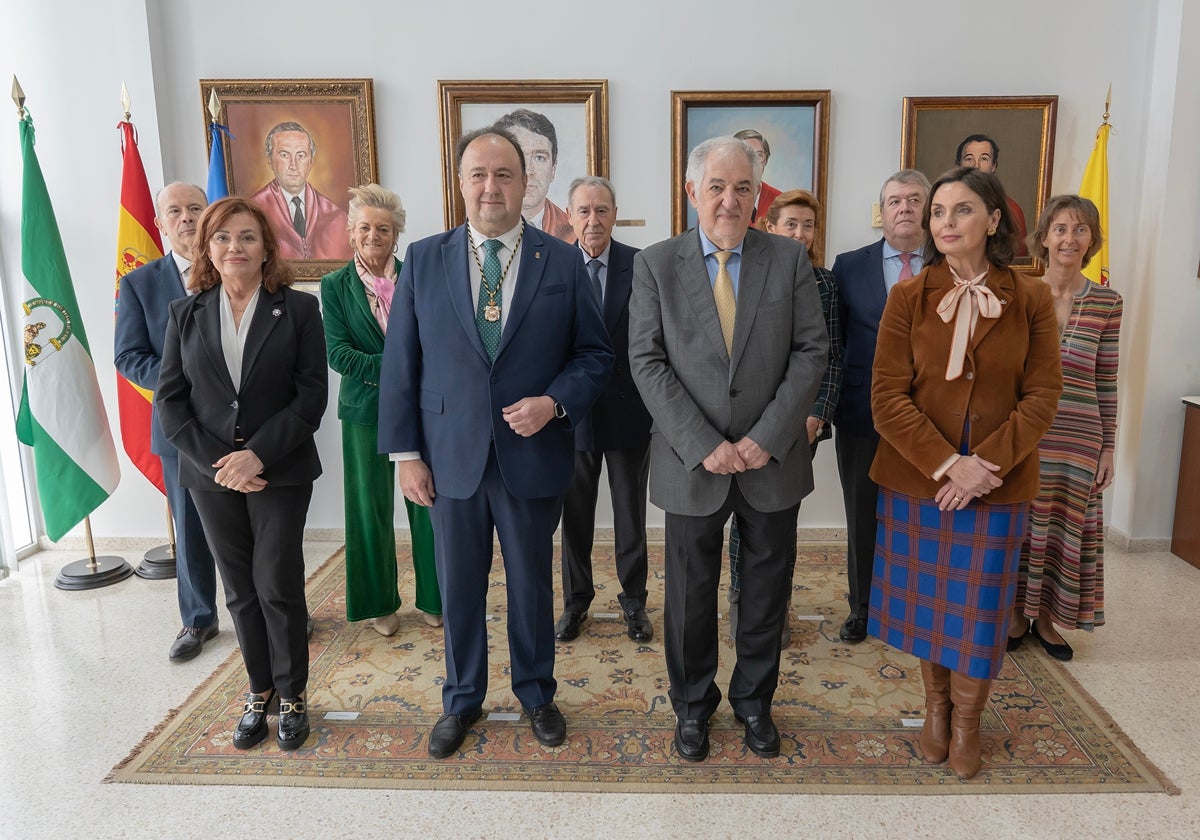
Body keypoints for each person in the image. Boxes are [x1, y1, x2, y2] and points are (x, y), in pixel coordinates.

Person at [377, 127, 612, 759]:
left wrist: (555, 401)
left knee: (533, 585)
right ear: (460, 182)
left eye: (504, 175)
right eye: (478, 174)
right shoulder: (424, 259)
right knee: (458, 586)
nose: (491, 187)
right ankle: (462, 698)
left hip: (530, 454)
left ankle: (537, 693)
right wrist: (406, 455)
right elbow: (403, 364)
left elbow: (595, 354)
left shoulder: (560, 260)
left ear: (526, 183)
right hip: (448, 457)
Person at [629, 136, 828, 762]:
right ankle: (692, 708)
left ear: (757, 195)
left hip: (771, 463)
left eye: (743, 187)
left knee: (767, 593)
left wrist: (764, 439)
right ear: (693, 192)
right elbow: (647, 360)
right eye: (716, 186)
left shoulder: (789, 261)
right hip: (693, 464)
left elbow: (810, 353)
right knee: (688, 596)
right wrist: (705, 443)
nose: (729, 199)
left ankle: (754, 703)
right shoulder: (656, 264)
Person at [867, 167, 1062, 779]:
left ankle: (970, 722)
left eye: (962, 211)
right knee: (930, 604)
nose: (946, 223)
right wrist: (951, 465)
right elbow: (887, 398)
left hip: (999, 487)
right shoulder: (908, 296)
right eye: (938, 213)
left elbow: (1043, 395)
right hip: (918, 481)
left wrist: (987, 468)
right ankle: (936, 711)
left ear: (995, 221)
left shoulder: (1030, 297)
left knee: (978, 606)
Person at [156, 197, 328, 751]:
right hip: (211, 478)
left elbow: (310, 398)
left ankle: (293, 693)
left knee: (277, 583)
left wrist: (257, 456)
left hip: (280, 469)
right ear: (207, 247)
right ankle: (259, 691)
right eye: (224, 238)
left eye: (248, 237)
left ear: (266, 247)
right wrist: (221, 465)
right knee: (239, 591)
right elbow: (170, 403)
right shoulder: (185, 313)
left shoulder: (298, 310)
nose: (236, 247)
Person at [320, 184, 442, 638]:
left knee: (428, 503)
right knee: (367, 510)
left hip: (422, 410)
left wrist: (407, 370)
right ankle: (378, 603)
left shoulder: (421, 275)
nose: (374, 235)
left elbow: (437, 345)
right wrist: (399, 367)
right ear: (352, 232)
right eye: (365, 227)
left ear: (397, 235)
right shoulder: (334, 287)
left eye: (384, 229)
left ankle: (436, 597)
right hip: (363, 410)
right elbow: (339, 354)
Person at [726, 189, 844, 647]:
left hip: (798, 426)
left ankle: (776, 605)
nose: (800, 233)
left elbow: (830, 356)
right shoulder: (745, 274)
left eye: (808, 225)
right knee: (741, 517)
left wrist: (816, 415)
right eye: (790, 224)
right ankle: (740, 597)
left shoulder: (825, 284)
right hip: (743, 425)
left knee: (778, 523)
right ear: (769, 226)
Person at [1008, 196, 1122, 661]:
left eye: (1079, 230)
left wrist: (1108, 449)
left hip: (1079, 439)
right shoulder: (1019, 292)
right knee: (1023, 525)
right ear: (1044, 237)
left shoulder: (1108, 302)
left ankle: (1050, 620)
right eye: (1060, 228)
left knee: (1063, 529)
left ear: (1091, 239)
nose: (1069, 239)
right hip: (1026, 436)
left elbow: (1106, 378)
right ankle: (1016, 614)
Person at [115, 182, 219, 662]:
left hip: (244, 427)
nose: (186, 218)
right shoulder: (140, 283)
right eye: (174, 211)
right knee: (192, 527)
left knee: (260, 527)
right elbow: (128, 355)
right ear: (159, 224)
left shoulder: (235, 267)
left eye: (195, 208)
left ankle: (274, 611)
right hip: (178, 428)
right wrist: (183, 379)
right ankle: (198, 620)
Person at [830, 169, 930, 645]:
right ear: (882, 211)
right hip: (861, 413)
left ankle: (918, 608)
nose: (904, 208)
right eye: (894, 200)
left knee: (924, 515)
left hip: (932, 420)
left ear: (927, 209)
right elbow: (836, 341)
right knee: (863, 514)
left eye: (914, 199)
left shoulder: (949, 265)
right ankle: (862, 608)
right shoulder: (848, 266)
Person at [555, 176, 653, 644]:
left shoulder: (643, 265)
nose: (593, 221)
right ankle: (576, 603)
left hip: (629, 411)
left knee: (630, 515)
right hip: (570, 416)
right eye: (584, 211)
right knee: (574, 517)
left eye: (601, 210)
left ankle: (634, 602)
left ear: (614, 214)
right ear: (569, 216)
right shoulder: (553, 266)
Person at [251, 121, 351, 261]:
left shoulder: (337, 217)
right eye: (284, 155)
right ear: (270, 160)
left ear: (310, 161)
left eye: (301, 155)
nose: (293, 165)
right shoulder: (252, 211)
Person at [494, 109, 573, 241]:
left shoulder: (574, 233)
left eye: (539, 158)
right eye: (518, 157)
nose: (528, 171)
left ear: (553, 169)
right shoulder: (478, 227)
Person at [956, 134, 1028, 257]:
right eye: (969, 159)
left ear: (994, 165)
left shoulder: (1012, 210)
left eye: (984, 159)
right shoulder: (945, 206)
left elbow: (1019, 262)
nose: (976, 165)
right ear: (958, 165)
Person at [733, 129, 781, 225]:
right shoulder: (719, 199)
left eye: (759, 155)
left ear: (766, 160)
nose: (754, 162)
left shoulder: (780, 201)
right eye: (746, 155)